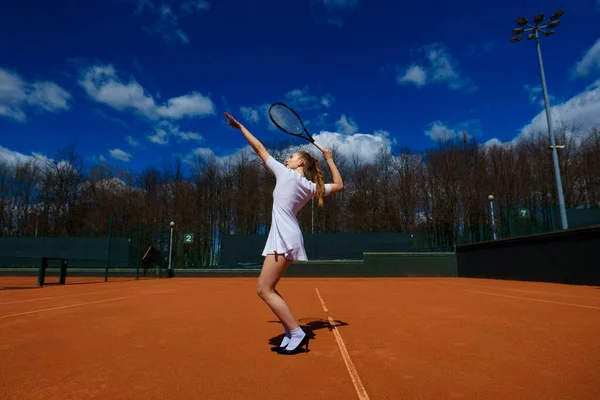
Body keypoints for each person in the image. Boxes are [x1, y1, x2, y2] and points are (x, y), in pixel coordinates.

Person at [224, 112, 344, 355]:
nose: (287, 159)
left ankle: (296, 332)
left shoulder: (286, 174)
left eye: (291, 157)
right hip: (288, 237)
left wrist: (241, 127)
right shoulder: (312, 187)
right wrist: (330, 160)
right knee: (268, 288)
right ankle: (292, 331)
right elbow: (340, 185)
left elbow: (259, 148)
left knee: (263, 289)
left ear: (300, 163)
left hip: (285, 238)